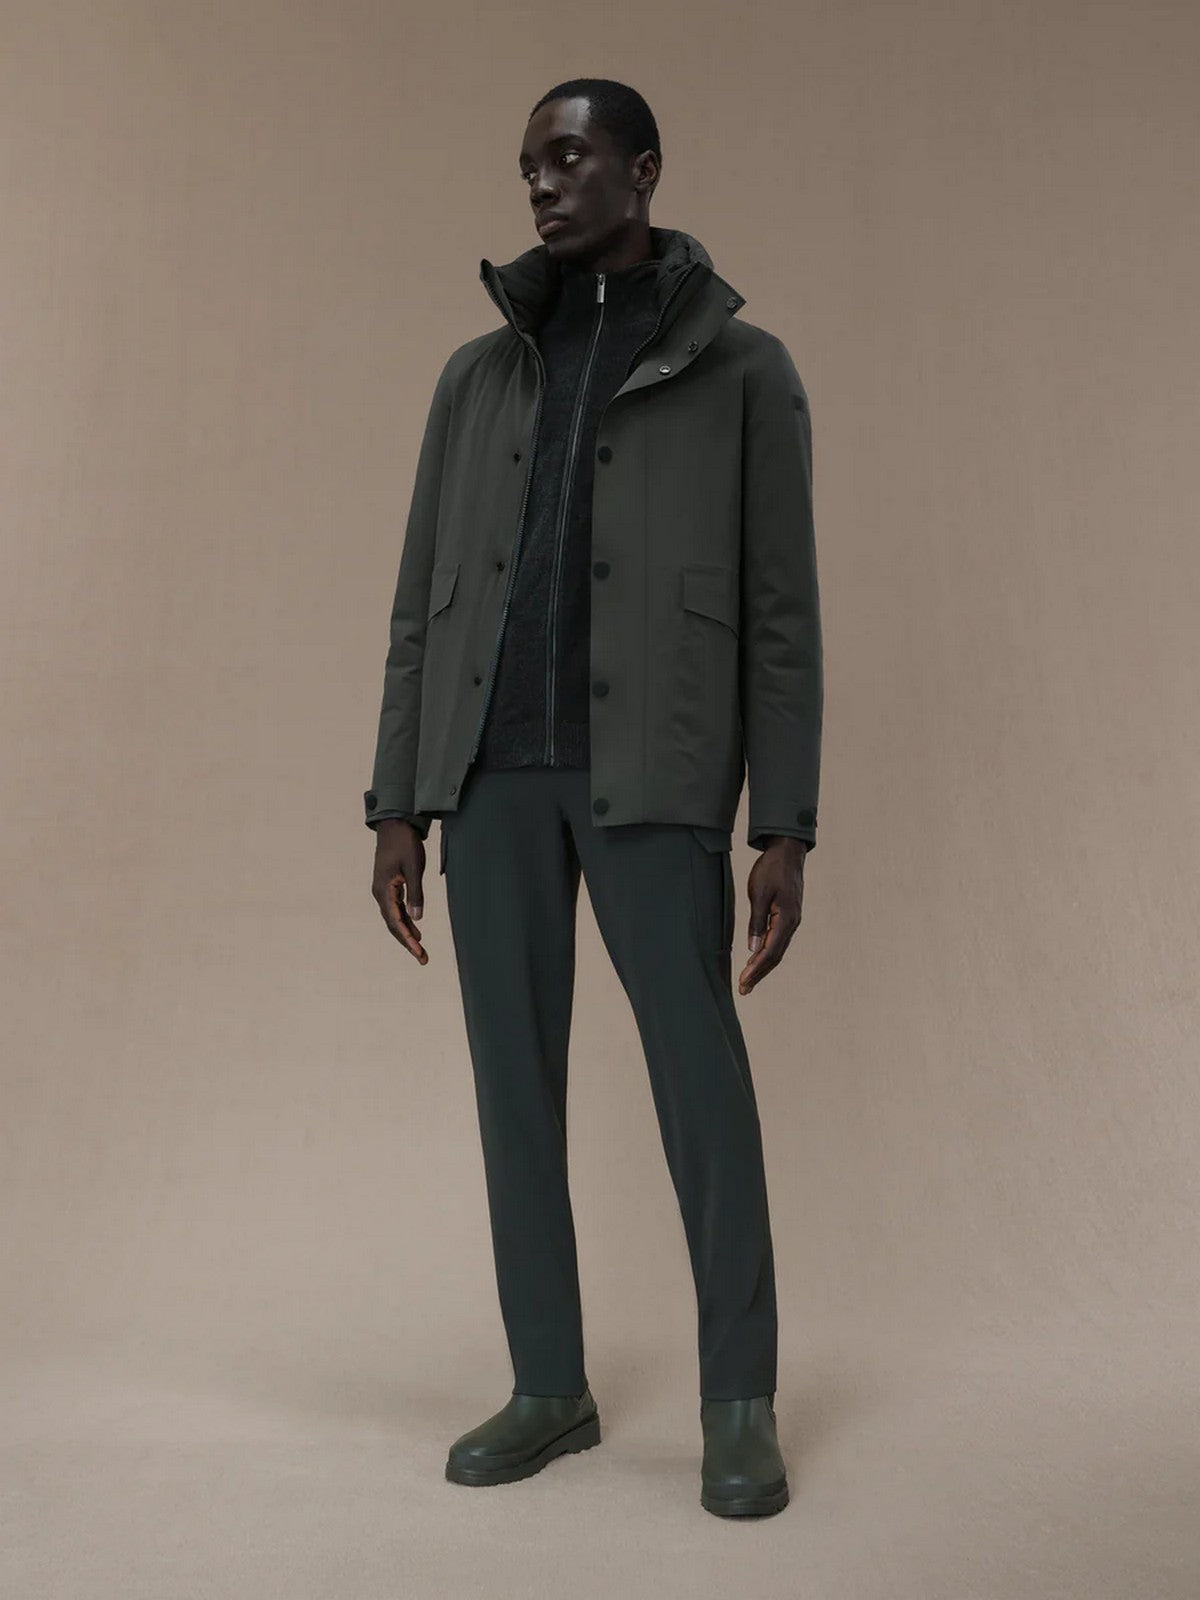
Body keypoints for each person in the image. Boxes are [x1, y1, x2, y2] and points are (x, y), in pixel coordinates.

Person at [365, 77, 822, 1518]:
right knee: (515, 1086)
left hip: (656, 778)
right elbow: (420, 603)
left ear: (644, 169)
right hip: (489, 777)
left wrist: (784, 823)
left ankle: (739, 1399)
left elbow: (781, 617)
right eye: (529, 166)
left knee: (700, 1084)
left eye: (569, 158)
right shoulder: (477, 376)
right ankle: (547, 1385)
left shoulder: (743, 371)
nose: (543, 186)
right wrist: (397, 801)